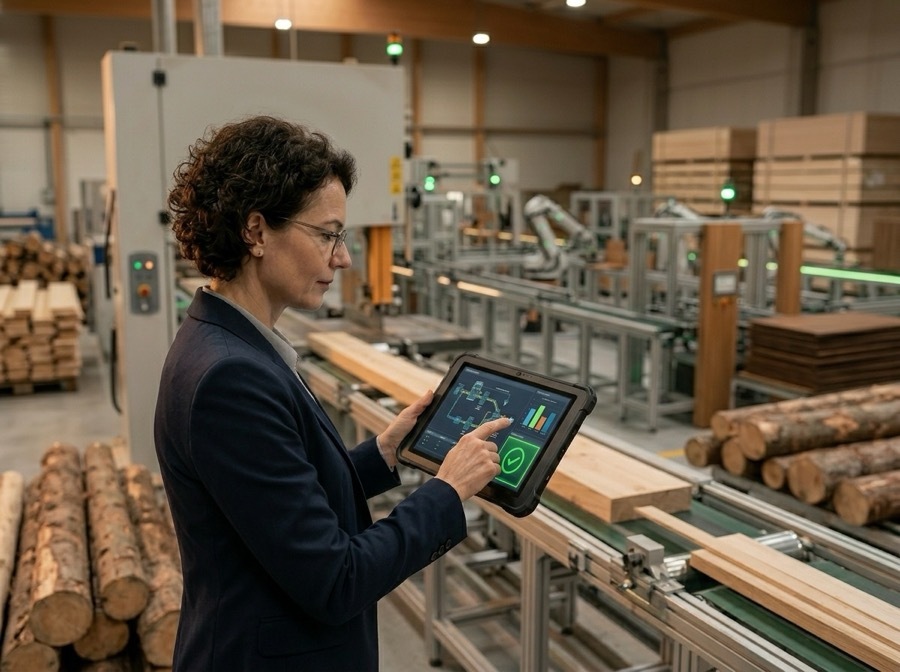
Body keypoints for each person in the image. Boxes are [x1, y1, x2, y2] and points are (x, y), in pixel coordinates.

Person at [154, 115, 511, 671]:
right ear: (256, 232)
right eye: (327, 235)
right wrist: (446, 491)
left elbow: (278, 500)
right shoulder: (231, 377)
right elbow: (336, 580)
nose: (342, 258)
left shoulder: (229, 343)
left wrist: (382, 454)